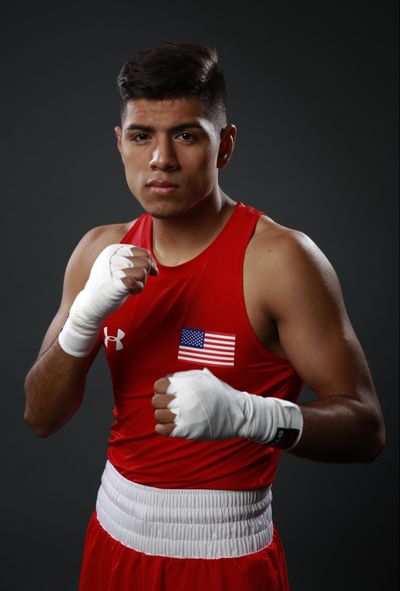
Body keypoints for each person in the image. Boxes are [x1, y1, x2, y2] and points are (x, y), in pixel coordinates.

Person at [24, 42, 385, 591]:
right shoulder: (98, 252)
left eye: (186, 135)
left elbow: (366, 429)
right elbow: (40, 417)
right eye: (142, 136)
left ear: (225, 145)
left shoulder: (280, 261)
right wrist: (84, 321)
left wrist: (251, 416)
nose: (161, 159)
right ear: (121, 144)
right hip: (111, 542)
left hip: (227, 561)